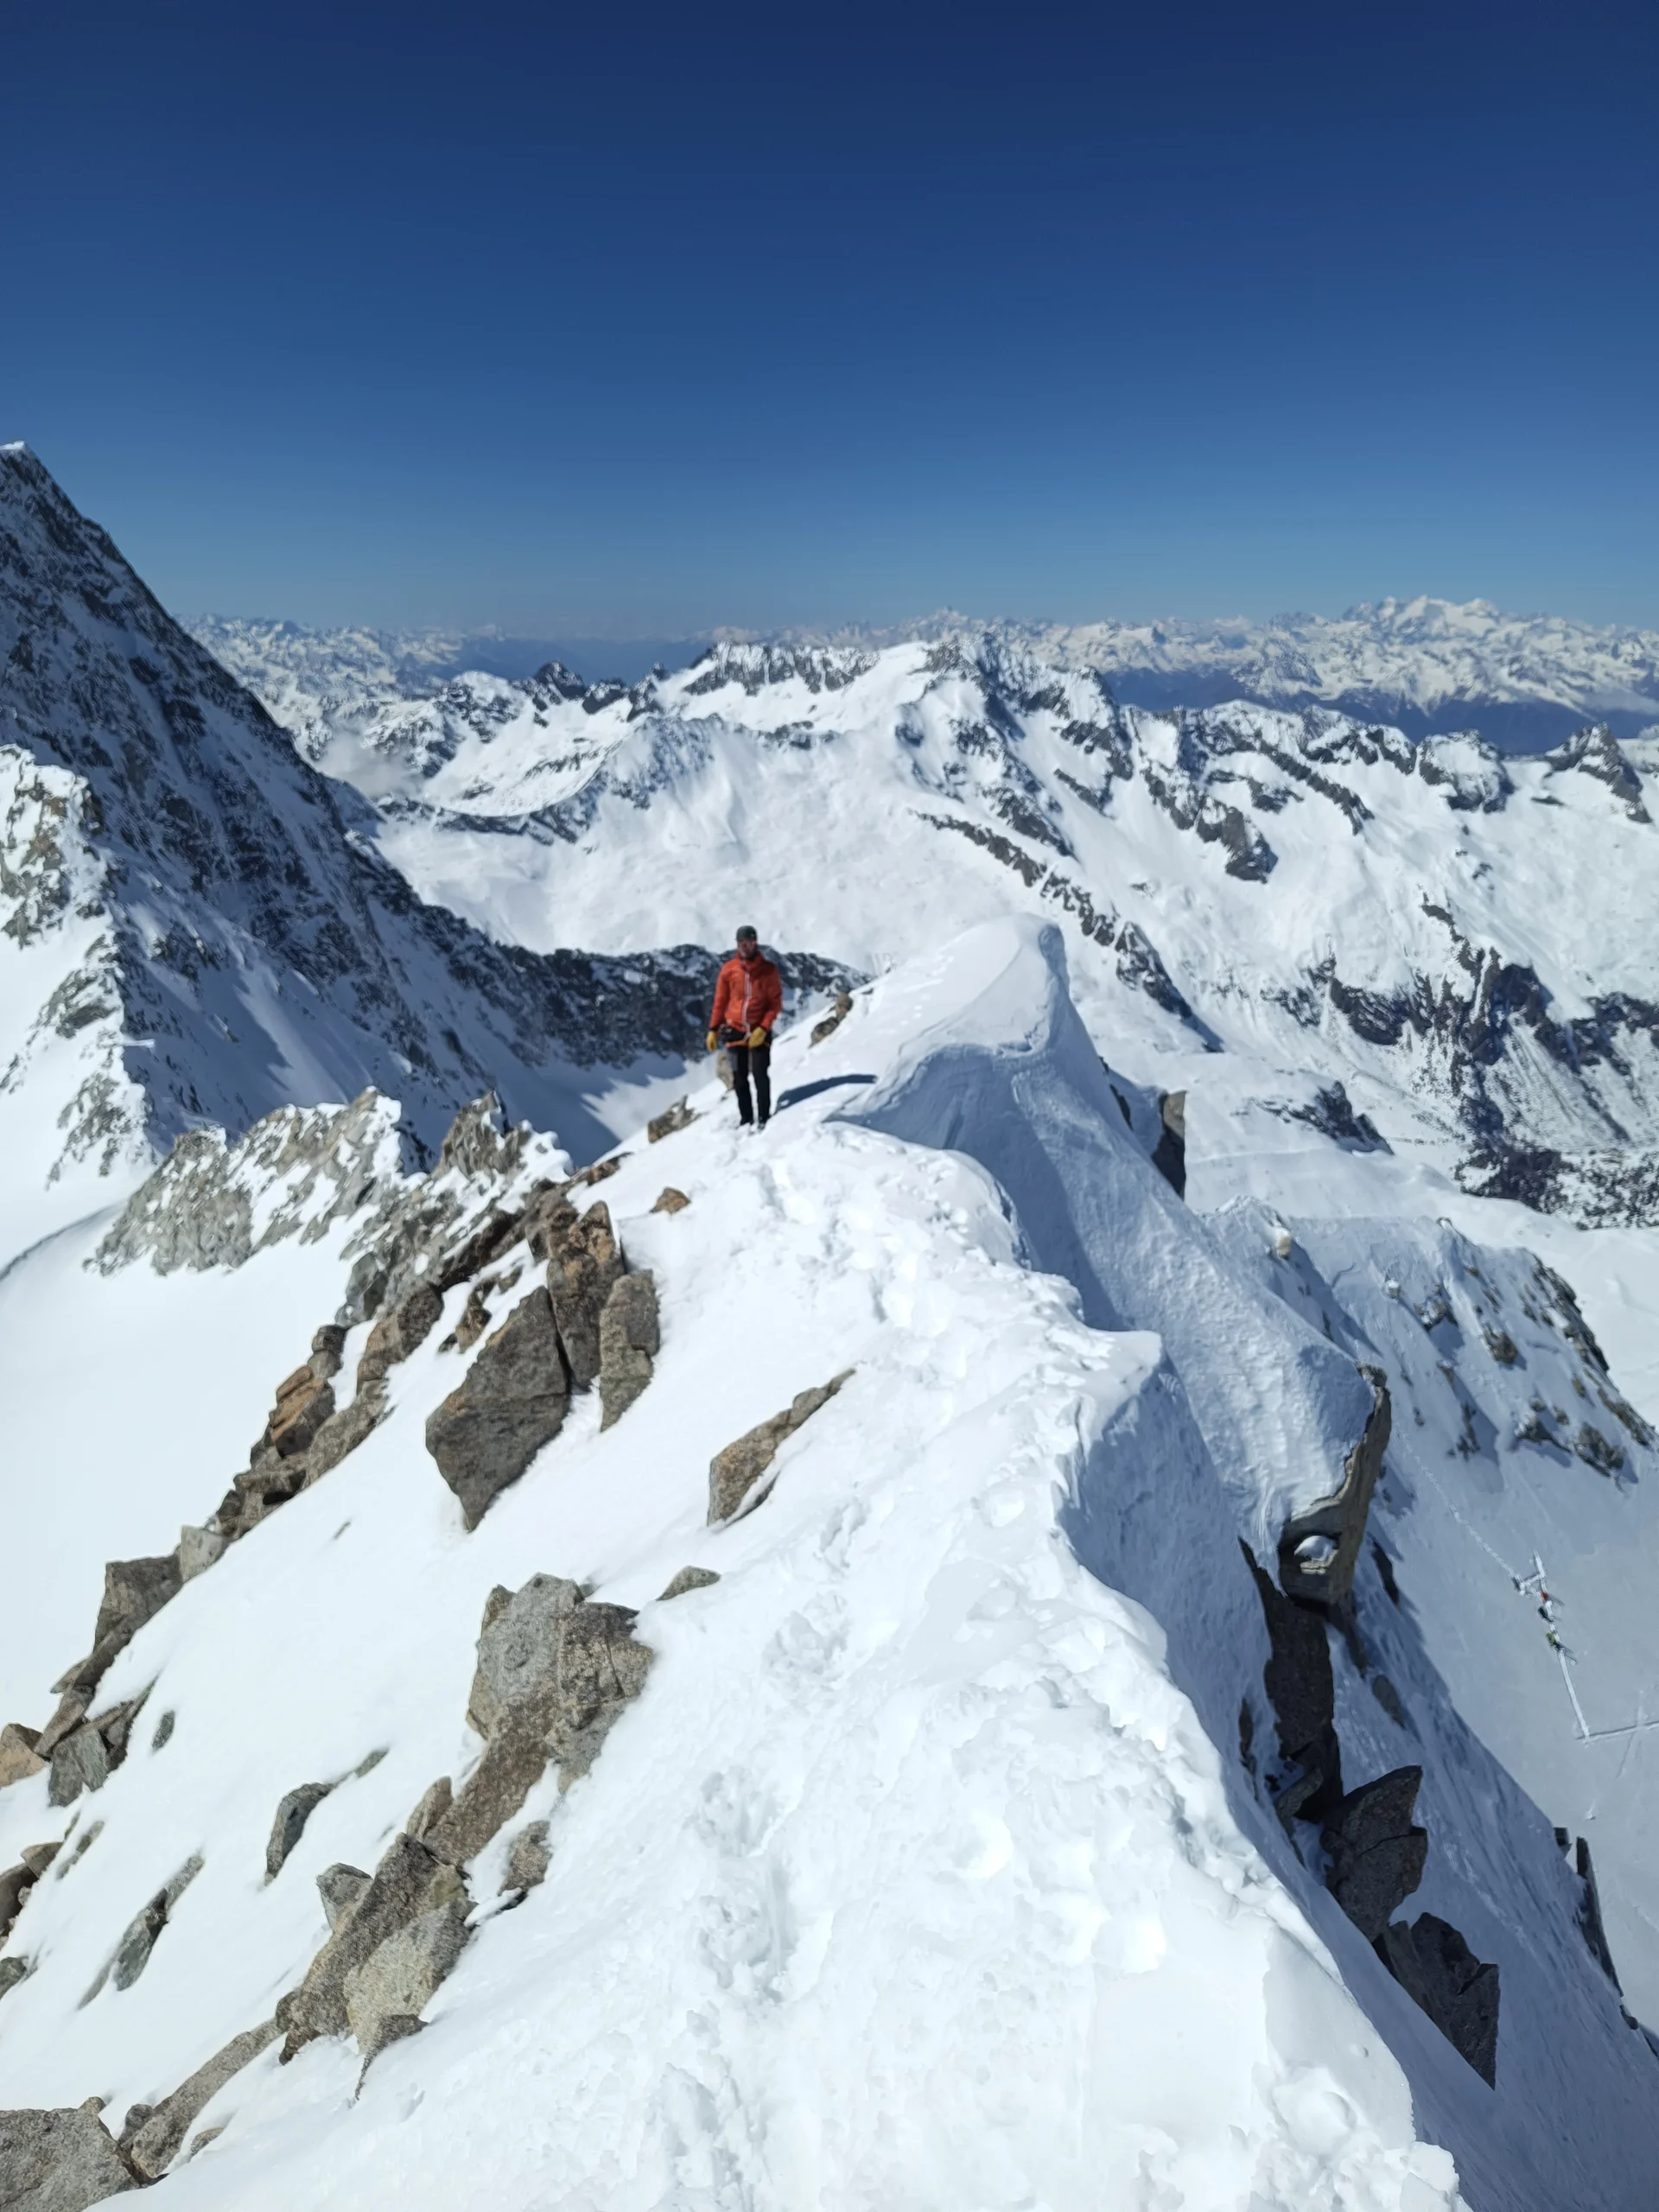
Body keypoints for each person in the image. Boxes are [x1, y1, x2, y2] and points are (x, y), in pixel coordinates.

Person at [708, 925, 783, 1130]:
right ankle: (746, 1118)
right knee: (739, 1077)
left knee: (760, 1073)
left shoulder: (768, 971)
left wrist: (764, 1027)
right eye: (741, 943)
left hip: (759, 1029)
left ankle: (764, 1117)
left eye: (748, 943)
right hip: (734, 1028)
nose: (745, 947)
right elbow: (720, 1001)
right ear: (736, 944)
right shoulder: (729, 970)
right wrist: (713, 1028)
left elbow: (775, 1004)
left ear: (755, 944)